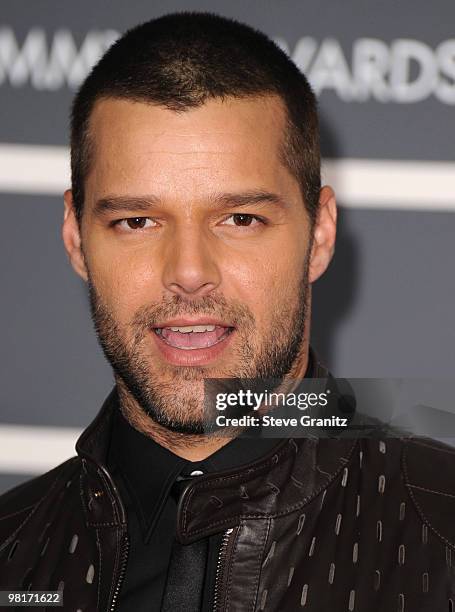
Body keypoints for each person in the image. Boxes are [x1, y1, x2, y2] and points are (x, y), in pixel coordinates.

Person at [0, 12, 454, 612]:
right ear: (76, 238)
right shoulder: (12, 551)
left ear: (319, 234)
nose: (189, 271)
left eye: (240, 219)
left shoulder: (441, 533)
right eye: (137, 221)